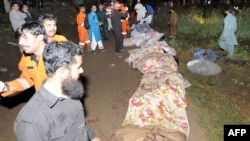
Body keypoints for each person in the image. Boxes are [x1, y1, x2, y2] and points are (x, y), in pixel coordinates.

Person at [14, 41, 101, 141]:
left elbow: (79, 120)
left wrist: (92, 137)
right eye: (78, 67)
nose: (81, 70)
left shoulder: (71, 90)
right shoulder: (32, 122)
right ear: (62, 72)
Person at [0, 22, 47, 97]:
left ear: (39, 37)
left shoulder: (60, 57)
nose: (20, 42)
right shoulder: (27, 58)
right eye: (19, 39)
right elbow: (28, 79)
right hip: (43, 99)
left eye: (25, 37)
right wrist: (5, 87)